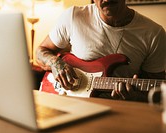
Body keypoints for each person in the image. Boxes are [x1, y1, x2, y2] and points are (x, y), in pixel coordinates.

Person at [36, 0, 166, 102]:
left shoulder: (154, 33)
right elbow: (41, 51)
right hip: (71, 105)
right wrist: (55, 63)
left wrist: (136, 97)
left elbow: (159, 93)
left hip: (120, 113)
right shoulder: (73, 16)